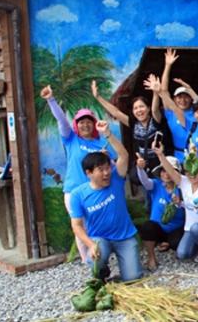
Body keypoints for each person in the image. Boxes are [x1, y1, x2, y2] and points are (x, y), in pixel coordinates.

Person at [40, 84, 116, 262]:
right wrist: (50, 99)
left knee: (95, 226)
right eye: (81, 122)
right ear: (76, 125)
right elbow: (61, 121)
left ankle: (100, 256)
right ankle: (87, 261)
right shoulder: (71, 139)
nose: (85, 125)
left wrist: (108, 159)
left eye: (89, 121)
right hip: (74, 190)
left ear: (94, 124)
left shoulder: (101, 143)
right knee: (80, 227)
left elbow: (111, 167)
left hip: (95, 191)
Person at [68, 120, 142, 281]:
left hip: (124, 237)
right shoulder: (77, 195)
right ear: (88, 173)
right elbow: (77, 225)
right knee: (95, 260)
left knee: (133, 278)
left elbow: (124, 155)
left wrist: (107, 134)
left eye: (107, 168)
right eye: (100, 170)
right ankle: (102, 270)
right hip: (100, 239)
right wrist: (90, 244)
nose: (106, 173)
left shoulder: (116, 179)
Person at [151, 140, 198, 272]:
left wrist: (195, 155)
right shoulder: (183, 182)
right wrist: (160, 155)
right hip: (191, 229)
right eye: (188, 172)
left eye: (194, 171)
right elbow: (171, 171)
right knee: (182, 254)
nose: (192, 174)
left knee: (196, 228)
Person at [92, 79, 169, 173]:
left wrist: (155, 92)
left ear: (148, 108)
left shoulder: (156, 120)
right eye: (135, 108)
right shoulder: (134, 124)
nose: (139, 110)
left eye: (141, 106)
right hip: (144, 167)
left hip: (162, 166)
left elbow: (155, 109)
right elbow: (116, 113)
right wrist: (98, 97)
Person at [135, 153, 185, 271]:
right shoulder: (156, 185)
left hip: (175, 229)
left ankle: (166, 243)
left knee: (176, 243)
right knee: (147, 227)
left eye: (170, 171)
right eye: (163, 171)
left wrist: (180, 203)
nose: (166, 174)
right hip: (158, 227)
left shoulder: (182, 188)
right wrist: (140, 169)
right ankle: (151, 257)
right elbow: (145, 181)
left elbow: (190, 208)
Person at [157, 48, 198, 162]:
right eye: (179, 97)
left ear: (190, 98)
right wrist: (167, 66)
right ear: (174, 99)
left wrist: (190, 89)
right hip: (178, 157)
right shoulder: (171, 113)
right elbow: (164, 90)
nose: (183, 100)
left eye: (186, 96)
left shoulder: (197, 112)